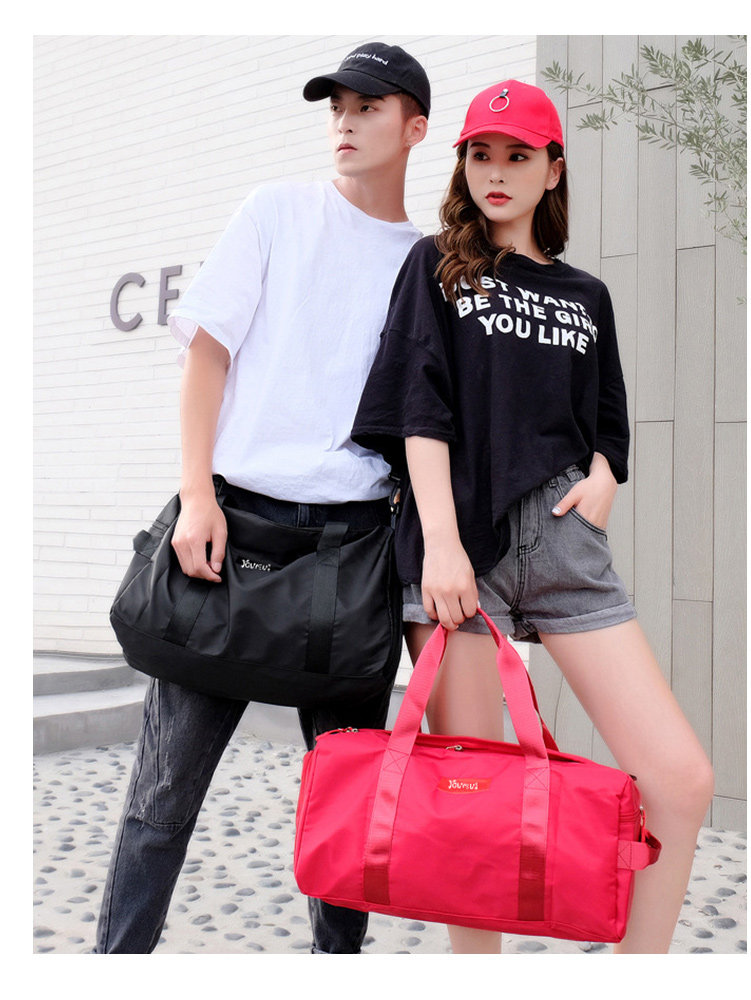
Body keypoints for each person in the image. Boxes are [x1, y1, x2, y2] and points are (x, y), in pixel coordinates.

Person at [351, 79, 714, 954]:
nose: (497, 172)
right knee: (474, 806)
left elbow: (610, 420)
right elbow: (419, 409)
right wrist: (442, 546)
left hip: (561, 547)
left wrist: (604, 480)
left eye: (518, 156)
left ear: (553, 170)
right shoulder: (438, 265)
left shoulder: (586, 293)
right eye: (482, 154)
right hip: (459, 551)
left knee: (680, 780)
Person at [94, 41, 430, 954]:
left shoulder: (426, 262)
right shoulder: (275, 211)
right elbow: (207, 356)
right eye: (336, 107)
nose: (345, 122)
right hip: (232, 531)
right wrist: (196, 494)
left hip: (354, 553)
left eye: (368, 106)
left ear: (415, 128)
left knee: (345, 811)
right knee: (162, 796)